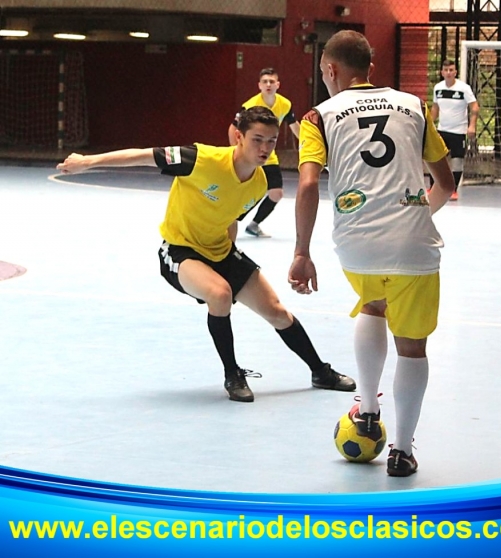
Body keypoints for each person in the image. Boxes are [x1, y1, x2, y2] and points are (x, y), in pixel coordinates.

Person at [57, 106, 356, 403]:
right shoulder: (200, 159)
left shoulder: (259, 182)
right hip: (180, 250)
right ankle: (232, 374)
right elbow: (144, 155)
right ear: (239, 137)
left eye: (272, 141)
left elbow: (230, 220)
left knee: (277, 311)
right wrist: (87, 161)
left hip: (220, 251)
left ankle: (320, 372)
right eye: (257, 139)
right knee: (220, 293)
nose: (265, 148)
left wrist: (235, 263)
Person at [288, 31, 456, 477]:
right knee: (413, 349)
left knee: (372, 303)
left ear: (330, 70)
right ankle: (402, 451)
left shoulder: (317, 116)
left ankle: (365, 410)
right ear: (371, 70)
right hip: (415, 246)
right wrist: (420, 218)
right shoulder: (414, 106)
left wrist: (302, 252)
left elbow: (307, 184)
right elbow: (446, 184)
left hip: (356, 245)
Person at [228, 68, 301, 238]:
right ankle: (230, 220)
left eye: (272, 81)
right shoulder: (250, 105)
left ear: (278, 84)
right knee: (251, 191)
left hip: (268, 156)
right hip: (250, 156)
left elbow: (294, 126)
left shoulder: (285, 104)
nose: (268, 84)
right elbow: (233, 128)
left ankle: (254, 225)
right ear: (259, 85)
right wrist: (237, 151)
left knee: (276, 193)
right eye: (265, 82)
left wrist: (308, 142)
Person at [431, 59, 480, 201]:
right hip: (441, 130)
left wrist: (472, 126)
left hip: (458, 132)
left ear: (455, 72)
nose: (448, 73)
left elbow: (474, 107)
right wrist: (430, 125)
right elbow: (435, 108)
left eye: (451, 70)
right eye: (446, 70)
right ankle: (435, 187)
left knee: (457, 161)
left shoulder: (464, 88)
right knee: (437, 159)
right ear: (442, 72)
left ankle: (453, 190)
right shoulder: (438, 88)